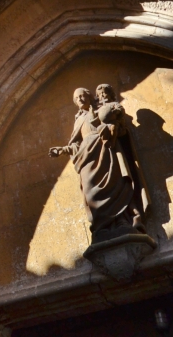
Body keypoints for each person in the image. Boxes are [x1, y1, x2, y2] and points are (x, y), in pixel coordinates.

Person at [49, 85, 147, 243]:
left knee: (115, 186)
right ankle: (102, 227)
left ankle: (122, 221)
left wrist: (110, 127)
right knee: (91, 191)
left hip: (106, 152)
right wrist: (62, 150)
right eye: (77, 98)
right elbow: (76, 144)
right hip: (87, 158)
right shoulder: (79, 120)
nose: (80, 99)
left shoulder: (102, 111)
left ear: (89, 96)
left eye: (82, 96)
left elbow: (118, 127)